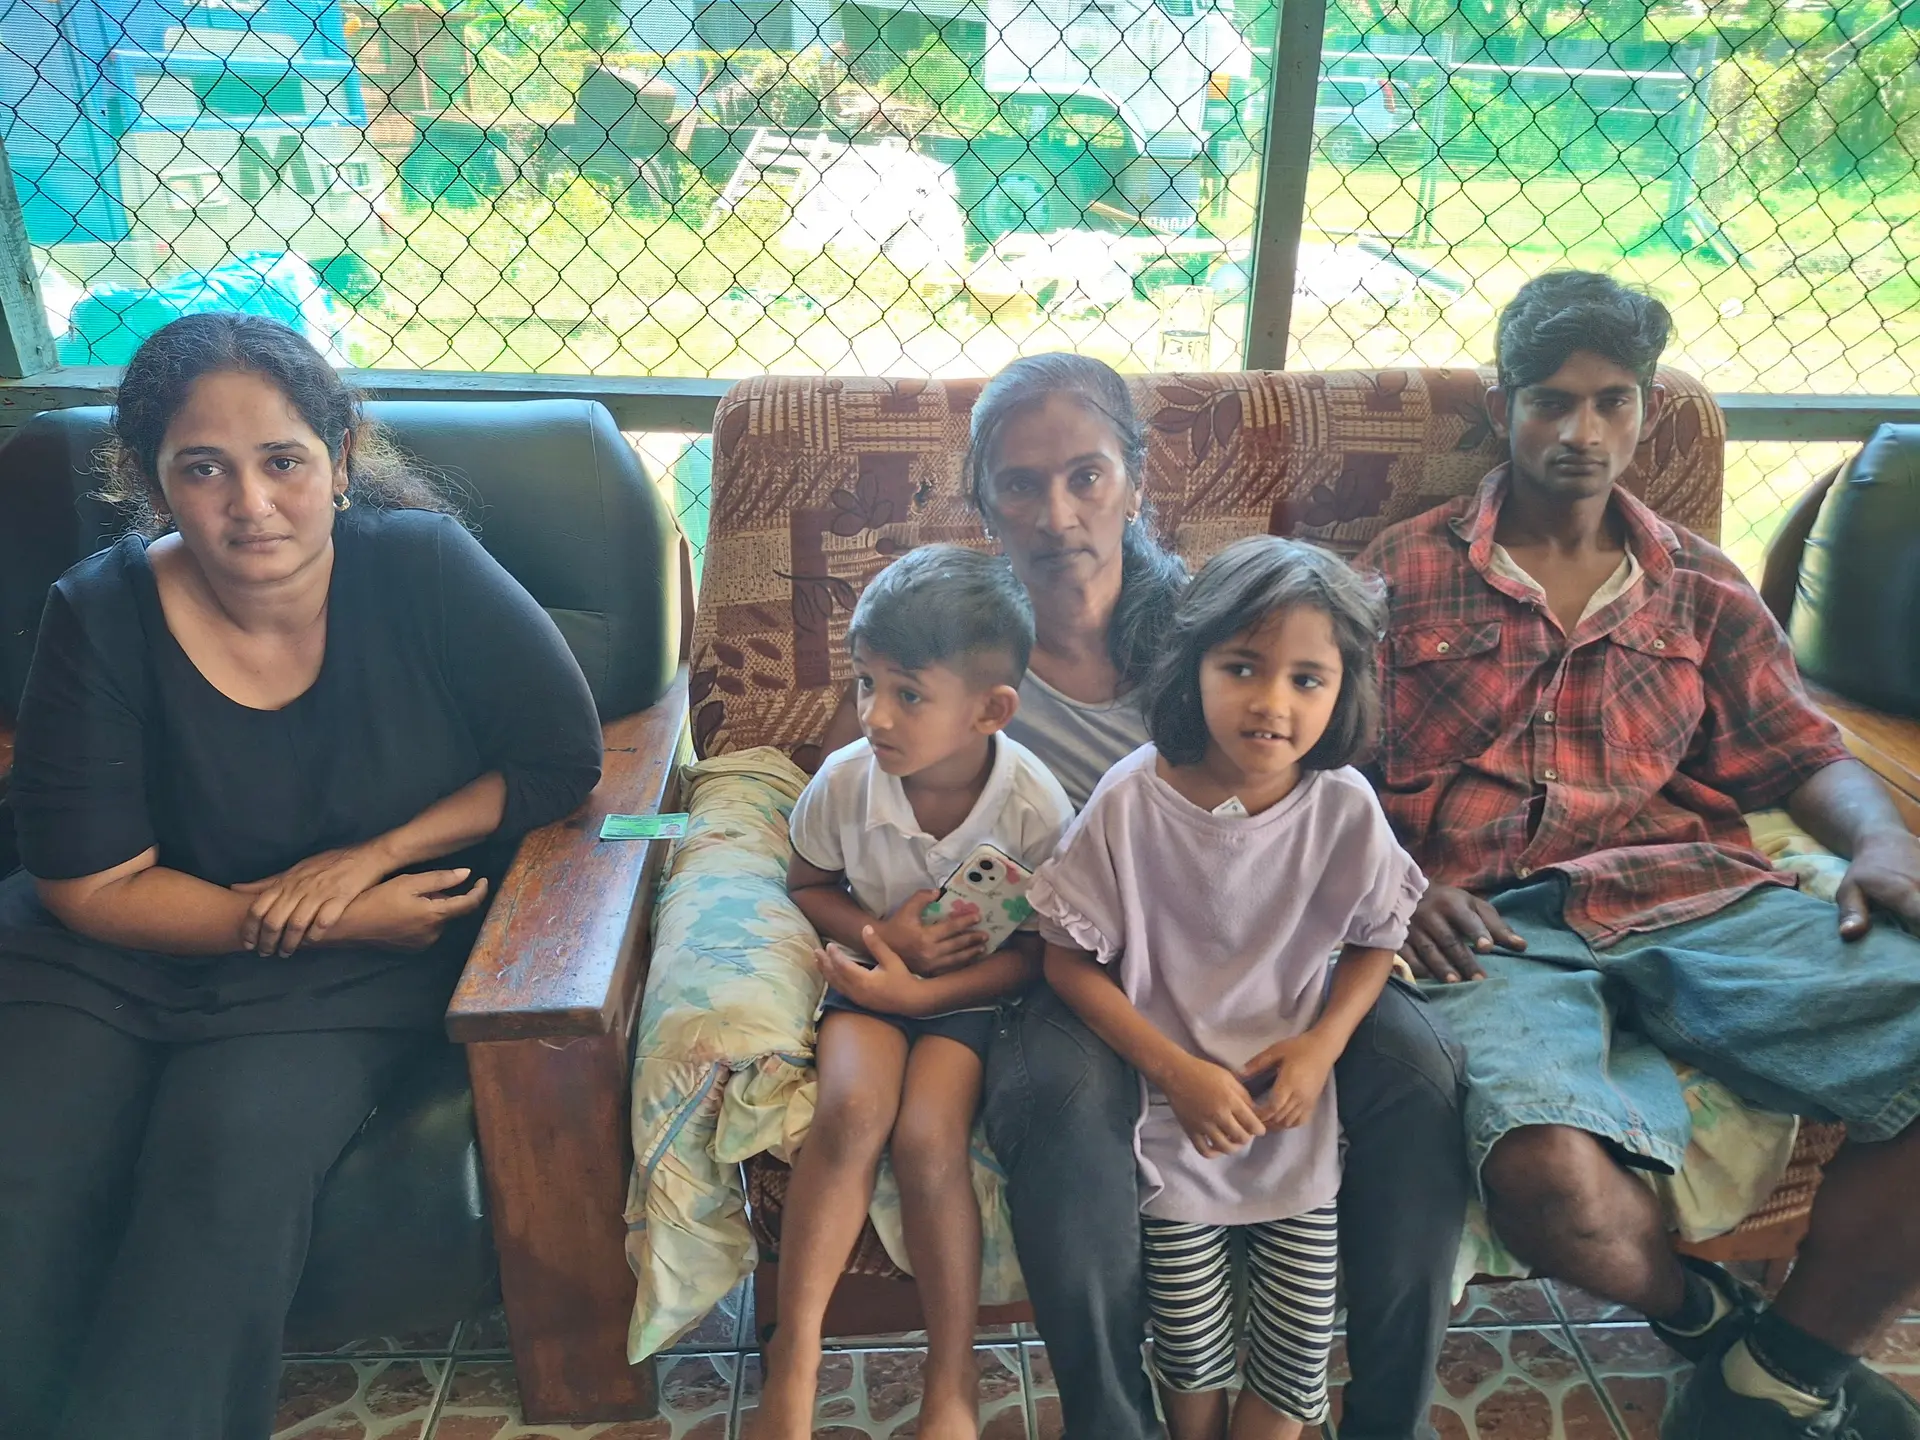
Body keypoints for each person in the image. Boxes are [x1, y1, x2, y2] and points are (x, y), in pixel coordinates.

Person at [821, 353, 1470, 1440]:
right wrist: (891, 921)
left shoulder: (1216, 632)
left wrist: (1414, 887)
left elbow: (1321, 779)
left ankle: (1384, 1420)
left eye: (1086, 475)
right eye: (1020, 485)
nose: (1056, 512)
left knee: (1413, 1068)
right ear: (983, 501)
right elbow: (870, 776)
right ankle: (1115, 1425)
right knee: (1068, 1104)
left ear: (1134, 477)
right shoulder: (967, 646)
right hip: (1073, 962)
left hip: (1264, 945)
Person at [0, 313, 603, 1440]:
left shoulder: (424, 568)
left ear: (338, 453)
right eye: (203, 469)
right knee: (20, 1184)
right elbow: (88, 884)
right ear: (152, 482)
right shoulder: (97, 611)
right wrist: (298, 917)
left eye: (282, 459)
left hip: (341, 974)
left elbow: (559, 758)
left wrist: (365, 863)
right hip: (100, 956)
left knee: (221, 1186)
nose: (252, 503)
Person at [1359, 270, 1920, 1440]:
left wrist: (1878, 844)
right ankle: (1707, 1318)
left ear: (1646, 411)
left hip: (1691, 896)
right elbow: (1314, 771)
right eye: (1550, 402)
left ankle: (1786, 1369)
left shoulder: (1701, 587)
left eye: (1611, 402)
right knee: (1541, 1178)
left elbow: (1797, 749)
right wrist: (1393, 887)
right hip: (1490, 925)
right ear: (1504, 408)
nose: (1579, 433)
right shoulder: (1399, 573)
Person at [1031, 537, 1428, 1440]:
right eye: (1242, 667)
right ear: (1192, 664)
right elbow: (1067, 960)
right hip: (1172, 1131)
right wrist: (1176, 1072)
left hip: (1295, 1126)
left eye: (1306, 679)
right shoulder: (1132, 803)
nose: (1271, 704)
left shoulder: (1344, 807)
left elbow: (1378, 939)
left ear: (1345, 690)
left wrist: (1321, 1049)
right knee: (1190, 1354)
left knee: (1294, 1366)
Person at [759, 545, 1075, 1440]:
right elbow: (806, 886)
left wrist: (930, 998)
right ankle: (796, 1356)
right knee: (853, 1109)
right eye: (866, 684)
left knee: (929, 1135)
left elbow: (1043, 955)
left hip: (968, 996)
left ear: (991, 710)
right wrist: (879, 940)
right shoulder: (845, 783)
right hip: (865, 977)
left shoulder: (1034, 810)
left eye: (907, 694)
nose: (873, 716)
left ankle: (951, 1379)